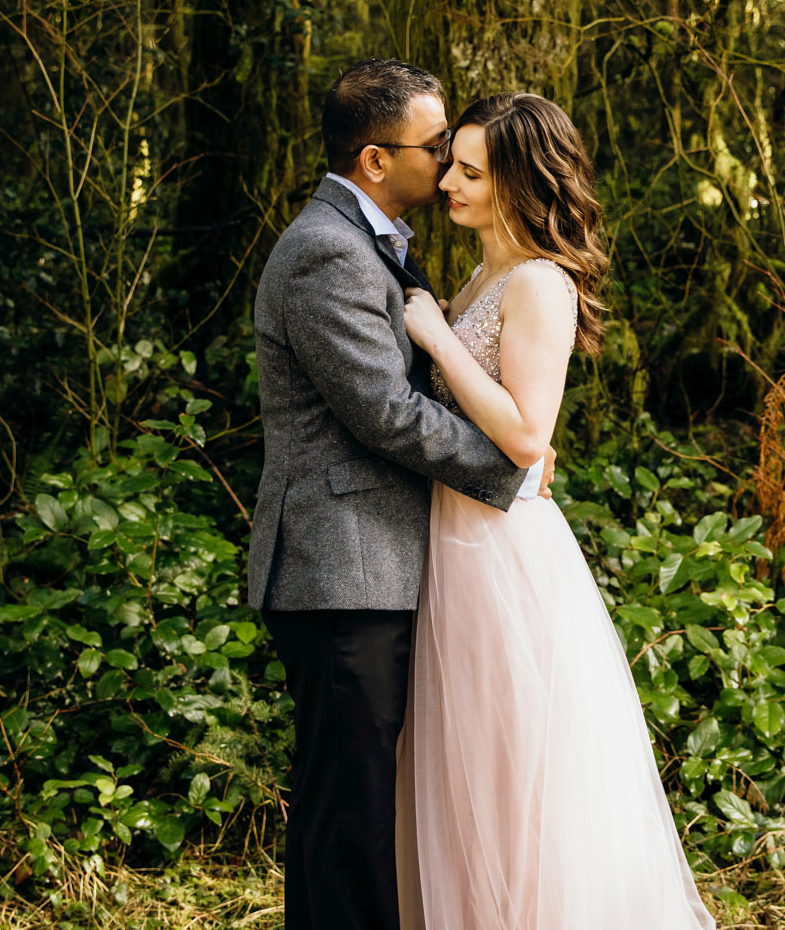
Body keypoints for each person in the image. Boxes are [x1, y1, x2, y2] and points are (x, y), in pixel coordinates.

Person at [396, 92, 714, 930]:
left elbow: (528, 435)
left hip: (499, 551)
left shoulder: (539, 282)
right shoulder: (482, 271)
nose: (449, 182)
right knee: (467, 762)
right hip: (456, 534)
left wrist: (432, 338)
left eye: (471, 171)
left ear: (519, 182)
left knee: (514, 763)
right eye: (452, 164)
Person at [249, 60, 551, 930]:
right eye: (435, 148)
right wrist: (513, 469)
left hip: (368, 563)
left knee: (346, 805)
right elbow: (385, 412)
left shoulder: (367, 242)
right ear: (377, 160)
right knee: (352, 815)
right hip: (340, 566)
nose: (450, 162)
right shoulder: (325, 252)